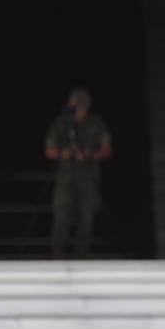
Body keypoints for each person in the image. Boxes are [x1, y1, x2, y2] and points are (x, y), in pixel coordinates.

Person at [44, 87, 111, 257]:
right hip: (65, 176)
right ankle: (58, 254)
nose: (77, 109)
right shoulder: (61, 124)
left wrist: (89, 154)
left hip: (88, 177)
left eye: (79, 106)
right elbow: (49, 151)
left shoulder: (96, 123)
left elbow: (107, 151)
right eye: (74, 106)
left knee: (86, 216)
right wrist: (65, 153)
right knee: (62, 213)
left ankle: (82, 255)